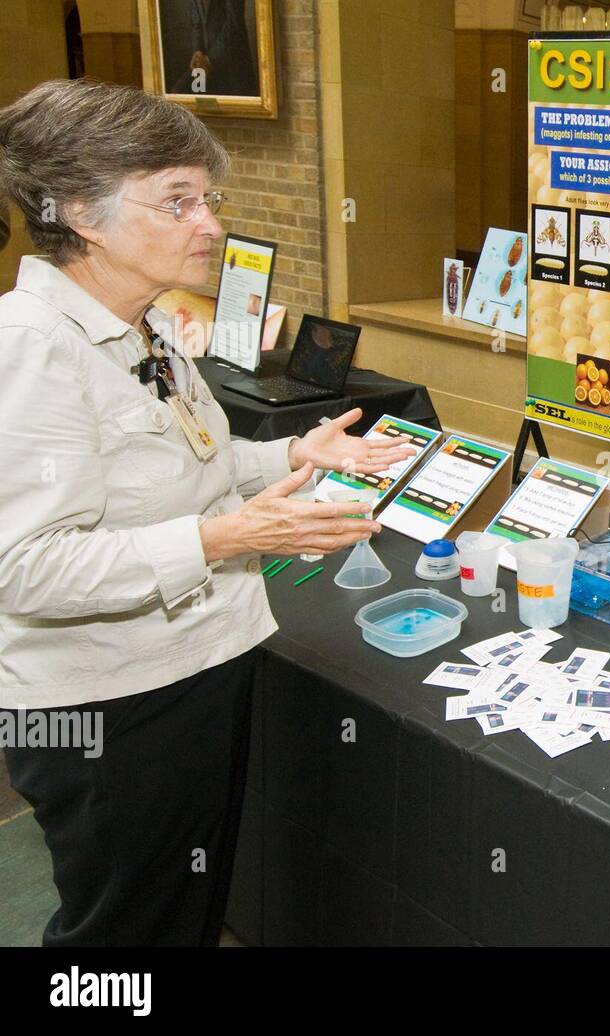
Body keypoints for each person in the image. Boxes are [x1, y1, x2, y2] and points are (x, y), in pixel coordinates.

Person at [0, 79, 415, 946]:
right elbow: (26, 567)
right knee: (126, 930)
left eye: (209, 199)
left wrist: (290, 456)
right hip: (106, 706)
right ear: (80, 211)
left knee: (180, 909)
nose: (212, 224)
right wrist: (230, 534)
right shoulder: (33, 350)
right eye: (178, 201)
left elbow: (186, 464)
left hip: (185, 668)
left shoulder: (142, 326)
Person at [175, 0, 259, 97]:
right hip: (204, 64)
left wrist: (209, 60)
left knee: (232, 107)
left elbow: (233, 24)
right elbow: (196, 24)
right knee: (178, 92)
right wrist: (197, 52)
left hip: (232, 67)